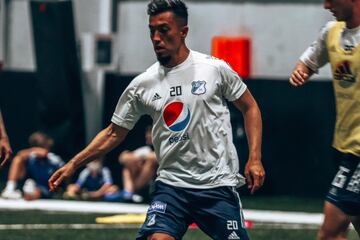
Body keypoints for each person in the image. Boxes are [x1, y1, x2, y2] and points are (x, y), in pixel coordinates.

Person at [49, 1, 265, 239]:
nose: (156, 38)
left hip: (217, 186)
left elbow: (250, 107)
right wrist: (73, 164)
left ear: (183, 32)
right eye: (152, 31)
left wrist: (254, 158)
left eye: (164, 30)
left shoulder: (214, 69)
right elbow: (113, 133)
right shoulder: (143, 84)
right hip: (171, 188)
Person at [289, 0, 360, 237]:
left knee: (330, 231)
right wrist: (301, 71)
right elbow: (308, 61)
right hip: (344, 145)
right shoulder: (331, 32)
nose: (326, 5)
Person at [1, 131, 64, 200]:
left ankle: (29, 194)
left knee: (37, 191)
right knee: (17, 159)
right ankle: (10, 189)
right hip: (29, 183)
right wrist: (34, 150)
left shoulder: (54, 159)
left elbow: (44, 153)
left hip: (47, 187)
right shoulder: (31, 157)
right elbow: (20, 154)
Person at [118, 125, 157, 202]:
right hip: (142, 180)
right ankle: (129, 193)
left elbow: (156, 158)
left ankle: (131, 191)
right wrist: (139, 160)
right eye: (147, 133)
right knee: (128, 166)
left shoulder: (163, 148)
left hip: (156, 180)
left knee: (150, 163)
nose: (147, 135)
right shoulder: (145, 149)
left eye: (150, 133)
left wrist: (143, 157)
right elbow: (123, 158)